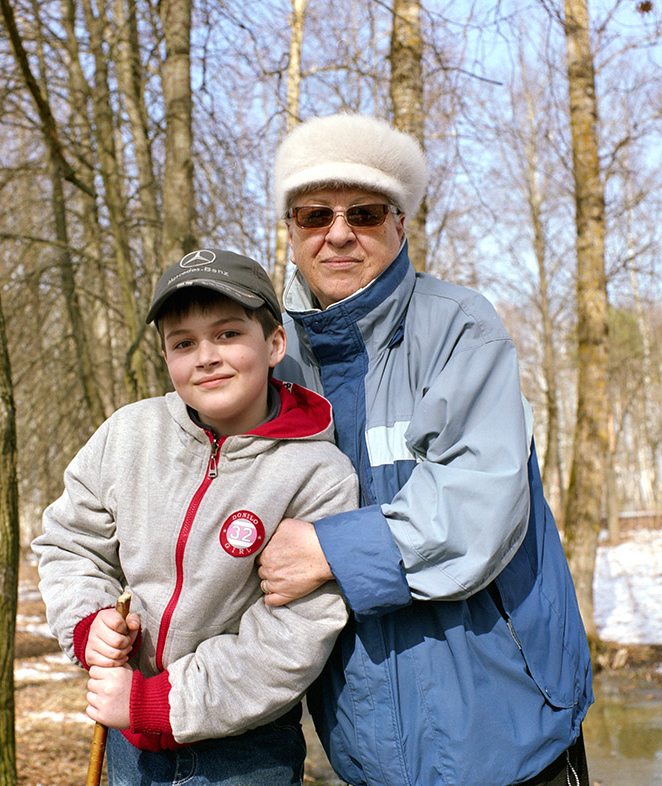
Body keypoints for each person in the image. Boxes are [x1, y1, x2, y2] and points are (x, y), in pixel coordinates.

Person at [256, 113, 594, 786]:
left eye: (366, 212)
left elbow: (478, 508)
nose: (340, 233)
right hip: (363, 746)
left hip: (505, 732)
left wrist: (328, 551)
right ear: (291, 234)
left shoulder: (459, 326)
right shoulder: (269, 360)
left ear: (401, 224)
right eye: (315, 215)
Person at [32, 248, 359, 786]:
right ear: (166, 358)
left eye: (228, 334)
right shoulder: (129, 435)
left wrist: (162, 704)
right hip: (127, 738)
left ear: (275, 343)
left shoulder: (318, 474)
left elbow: (292, 638)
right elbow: (70, 542)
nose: (206, 357)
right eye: (183, 343)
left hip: (245, 748)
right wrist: (88, 624)